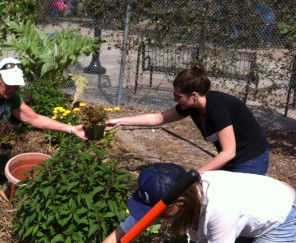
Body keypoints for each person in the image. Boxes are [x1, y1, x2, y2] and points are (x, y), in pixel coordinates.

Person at [63, 163, 296, 243]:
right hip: (246, 214)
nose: (149, 218)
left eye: (154, 213)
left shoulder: (218, 209)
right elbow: (121, 234)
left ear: (179, 204)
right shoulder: (171, 193)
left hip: (281, 218)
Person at [105, 64, 270, 175]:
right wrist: (119, 121)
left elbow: (229, 152)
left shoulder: (218, 107)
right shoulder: (192, 107)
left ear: (194, 95)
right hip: (232, 159)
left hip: (251, 158)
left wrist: (196, 175)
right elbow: (158, 118)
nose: (176, 100)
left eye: (179, 96)